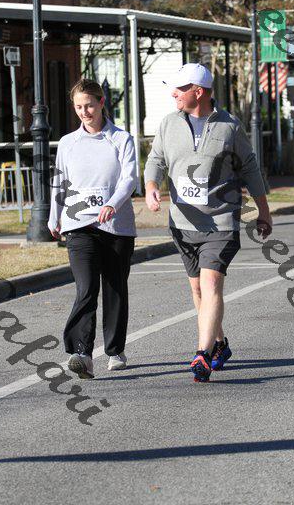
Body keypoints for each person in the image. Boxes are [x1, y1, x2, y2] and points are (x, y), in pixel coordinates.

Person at [144, 63, 272, 383]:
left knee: (211, 283)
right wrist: (151, 186)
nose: (173, 94)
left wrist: (263, 211)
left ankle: (202, 353)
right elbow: (155, 159)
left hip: (221, 221)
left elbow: (249, 168)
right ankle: (219, 344)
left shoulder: (229, 126)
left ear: (198, 92)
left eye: (179, 89)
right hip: (183, 222)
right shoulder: (169, 123)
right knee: (198, 289)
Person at [48, 79, 137, 379]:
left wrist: (112, 203)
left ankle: (115, 349)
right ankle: (82, 354)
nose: (84, 112)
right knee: (86, 288)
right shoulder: (68, 143)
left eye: (89, 105)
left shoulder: (121, 139)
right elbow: (59, 181)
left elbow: (129, 179)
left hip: (116, 227)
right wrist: (54, 217)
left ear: (101, 103)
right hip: (79, 226)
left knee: (115, 288)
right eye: (78, 107)